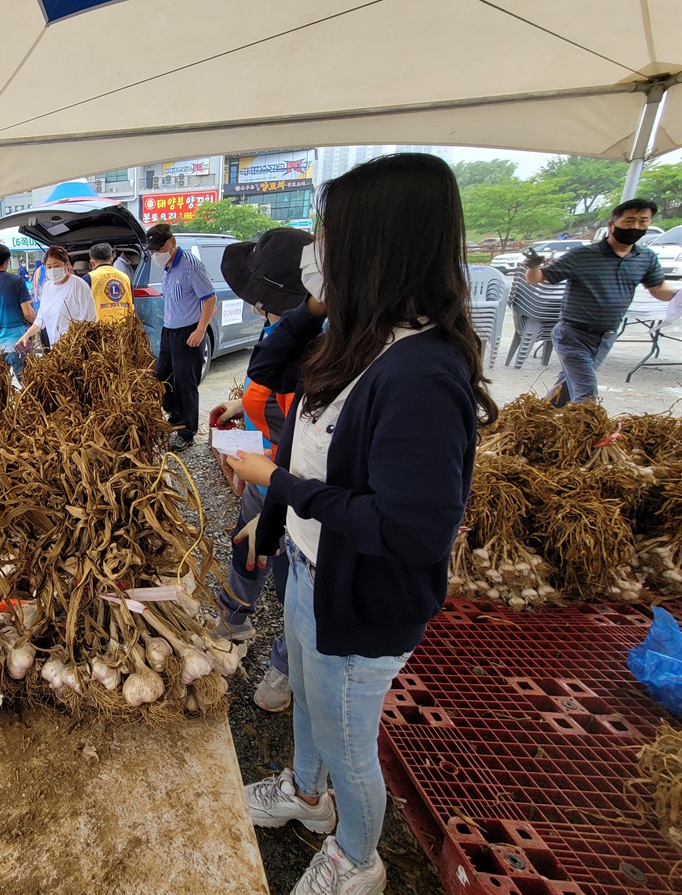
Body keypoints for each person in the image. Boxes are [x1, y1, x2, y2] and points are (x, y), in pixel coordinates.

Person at [227, 154, 495, 895]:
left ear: (378, 246)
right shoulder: (362, 339)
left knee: (351, 742)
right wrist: (273, 519)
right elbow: (308, 435)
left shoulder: (424, 374)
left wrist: (277, 485)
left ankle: (357, 859)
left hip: (366, 597)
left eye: (332, 238)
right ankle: (307, 799)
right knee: (309, 701)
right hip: (317, 573)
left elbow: (411, 532)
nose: (321, 257)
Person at [209, 229, 313, 714]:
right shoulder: (280, 332)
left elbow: (300, 434)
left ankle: (286, 667)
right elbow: (262, 388)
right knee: (246, 547)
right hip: (261, 463)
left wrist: (272, 486)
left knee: (297, 578)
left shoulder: (321, 351)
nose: (256, 309)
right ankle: (234, 620)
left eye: (263, 301)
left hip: (294, 480)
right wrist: (238, 403)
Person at [524, 198, 675, 405]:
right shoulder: (583, 256)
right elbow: (537, 279)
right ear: (612, 225)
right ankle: (587, 434)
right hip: (573, 335)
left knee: (566, 388)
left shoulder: (645, 258)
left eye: (643, 222)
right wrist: (533, 267)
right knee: (586, 395)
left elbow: (658, 289)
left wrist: (677, 295)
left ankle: (534, 420)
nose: (635, 227)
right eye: (629, 221)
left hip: (605, 338)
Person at [146, 222, 215, 452]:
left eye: (159, 248)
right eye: (152, 251)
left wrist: (200, 330)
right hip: (170, 332)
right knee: (162, 378)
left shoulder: (190, 266)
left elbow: (209, 299)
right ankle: (175, 419)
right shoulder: (167, 267)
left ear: (172, 242)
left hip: (189, 333)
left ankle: (187, 433)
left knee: (186, 384)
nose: (156, 254)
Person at [14, 246, 97, 351]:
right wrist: (26, 335)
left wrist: (73, 344)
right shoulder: (47, 287)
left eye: (56, 265)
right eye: (49, 266)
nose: (52, 270)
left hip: (76, 350)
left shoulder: (78, 284)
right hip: (56, 351)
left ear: (66, 265)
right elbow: (41, 319)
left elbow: (89, 320)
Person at [0, 241, 36, 377]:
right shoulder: (16, 281)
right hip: (19, 344)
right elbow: (27, 312)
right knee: (28, 386)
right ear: (7, 261)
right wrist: (37, 323)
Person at [87, 242, 134, 323]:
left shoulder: (88, 278)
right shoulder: (125, 277)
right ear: (111, 260)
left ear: (92, 263)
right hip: (123, 328)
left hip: (100, 329)